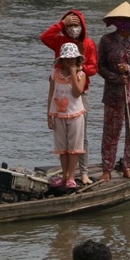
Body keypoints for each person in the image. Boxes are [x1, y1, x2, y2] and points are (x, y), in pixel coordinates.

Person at [41, 9, 99, 185]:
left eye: (77, 25)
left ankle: (83, 172)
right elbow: (44, 37)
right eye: (71, 25)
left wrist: (79, 70)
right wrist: (61, 24)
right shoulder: (59, 41)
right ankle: (67, 175)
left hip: (80, 93)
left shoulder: (88, 43)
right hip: (60, 95)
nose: (74, 28)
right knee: (63, 139)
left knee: (82, 136)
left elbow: (94, 68)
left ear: (83, 27)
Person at [97, 1, 130, 182]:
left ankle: (128, 165)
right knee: (111, 131)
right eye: (120, 20)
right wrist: (116, 77)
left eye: (127, 20)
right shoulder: (106, 41)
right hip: (114, 92)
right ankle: (107, 167)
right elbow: (100, 67)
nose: (123, 23)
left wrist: (129, 69)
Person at [47, 42, 87, 189]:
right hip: (59, 114)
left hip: (75, 114)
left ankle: (71, 176)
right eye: (67, 59)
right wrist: (49, 115)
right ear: (61, 60)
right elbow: (51, 93)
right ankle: (64, 175)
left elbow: (77, 92)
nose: (69, 61)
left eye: (72, 59)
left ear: (77, 60)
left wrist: (73, 73)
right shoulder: (54, 74)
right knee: (62, 148)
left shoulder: (81, 74)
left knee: (74, 147)